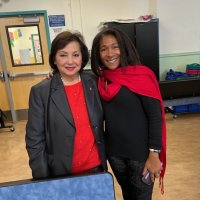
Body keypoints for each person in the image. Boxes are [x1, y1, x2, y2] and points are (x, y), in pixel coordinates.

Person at [90, 27, 166, 200]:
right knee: (128, 195)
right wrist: (55, 75)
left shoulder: (141, 75)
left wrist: (154, 154)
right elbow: (73, 76)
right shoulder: (100, 79)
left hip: (141, 156)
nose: (110, 53)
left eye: (115, 47)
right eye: (103, 49)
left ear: (124, 48)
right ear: (98, 54)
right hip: (115, 155)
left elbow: (155, 117)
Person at [25, 31, 107, 179]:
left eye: (75, 55)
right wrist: (43, 181)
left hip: (96, 168)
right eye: (63, 55)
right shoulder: (41, 91)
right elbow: (34, 141)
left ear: (82, 58)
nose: (70, 61)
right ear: (54, 59)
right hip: (61, 173)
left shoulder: (94, 82)